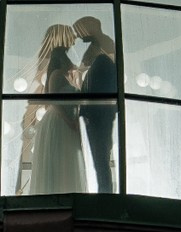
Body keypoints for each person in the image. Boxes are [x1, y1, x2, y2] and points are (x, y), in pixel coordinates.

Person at [17, 23, 86, 194]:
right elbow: (54, 101)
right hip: (60, 120)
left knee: (67, 160)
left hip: (68, 121)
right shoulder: (56, 75)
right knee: (59, 158)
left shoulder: (67, 77)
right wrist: (70, 122)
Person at [73, 16, 120, 193]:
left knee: (100, 153)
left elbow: (85, 67)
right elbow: (82, 66)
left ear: (91, 27)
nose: (78, 36)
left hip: (100, 112)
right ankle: (104, 189)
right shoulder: (98, 47)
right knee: (100, 154)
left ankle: (105, 190)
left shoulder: (104, 47)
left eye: (80, 31)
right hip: (97, 111)